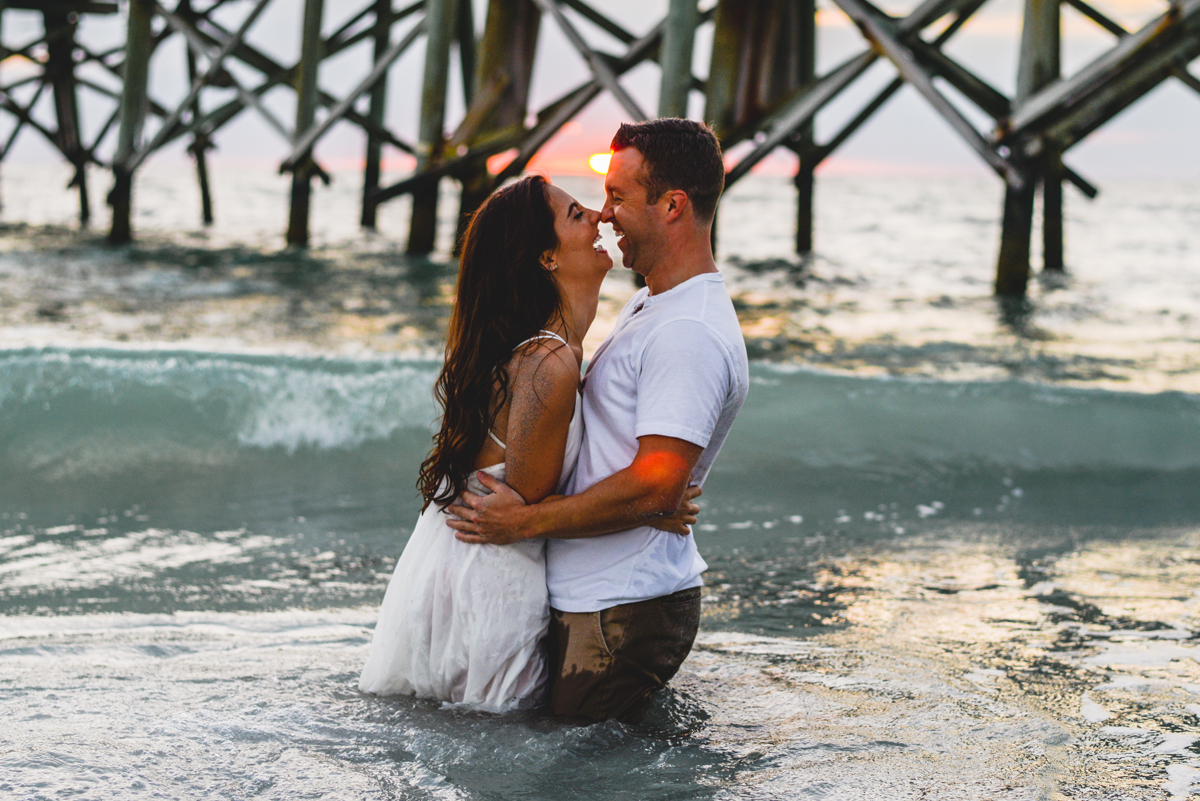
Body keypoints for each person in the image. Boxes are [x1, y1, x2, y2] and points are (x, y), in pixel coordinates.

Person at [358, 174, 699, 713]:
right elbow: (528, 506)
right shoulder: (550, 361)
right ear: (546, 258)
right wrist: (645, 506)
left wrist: (649, 494)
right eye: (574, 214)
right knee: (501, 754)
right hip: (491, 577)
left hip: (464, 566)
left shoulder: (551, 351)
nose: (598, 216)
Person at [449, 118, 750, 723]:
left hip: (619, 604)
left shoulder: (686, 331)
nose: (605, 215)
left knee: (567, 780)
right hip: (602, 597)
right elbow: (644, 470)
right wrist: (656, 497)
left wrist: (524, 522)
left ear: (672, 205)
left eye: (619, 197)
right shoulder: (650, 303)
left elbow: (658, 480)